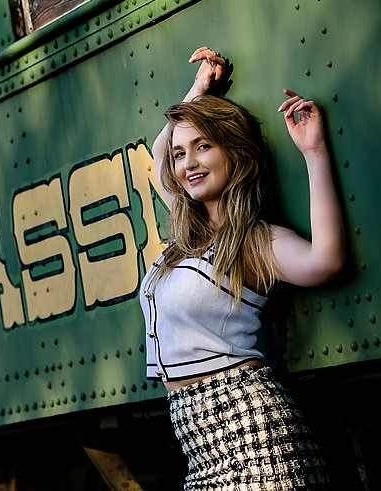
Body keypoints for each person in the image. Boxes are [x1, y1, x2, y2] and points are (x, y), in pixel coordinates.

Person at [139, 46, 346, 489]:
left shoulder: (253, 239)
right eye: (182, 154)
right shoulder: (187, 236)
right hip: (201, 442)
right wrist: (197, 92)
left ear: (233, 152)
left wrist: (314, 152)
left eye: (204, 146)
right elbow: (159, 157)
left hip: (252, 434)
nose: (188, 162)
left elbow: (325, 261)